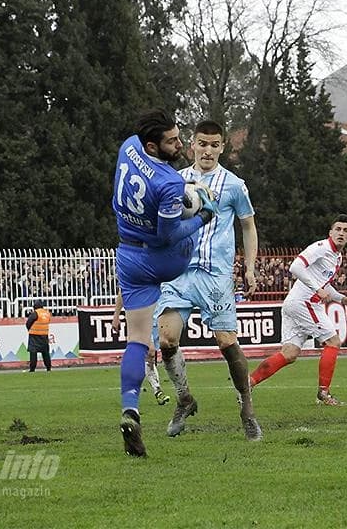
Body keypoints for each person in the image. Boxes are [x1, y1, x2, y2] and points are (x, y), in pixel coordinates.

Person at [112, 109, 217, 457]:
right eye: (172, 140)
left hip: (128, 255)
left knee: (137, 339)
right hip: (162, 259)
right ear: (153, 146)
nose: (179, 144)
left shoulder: (128, 146)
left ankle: (130, 409)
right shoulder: (169, 182)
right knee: (183, 232)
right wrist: (202, 217)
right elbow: (166, 236)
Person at [155, 120, 262, 440]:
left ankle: (246, 406)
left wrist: (250, 267)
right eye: (202, 143)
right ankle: (185, 398)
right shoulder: (177, 181)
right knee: (166, 340)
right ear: (193, 145)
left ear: (222, 148)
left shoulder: (233, 185)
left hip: (216, 275)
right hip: (179, 272)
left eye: (214, 145)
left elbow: (248, 226)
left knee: (227, 343)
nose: (208, 150)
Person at [248, 215, 347, 405]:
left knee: (289, 354)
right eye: (338, 229)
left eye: (345, 230)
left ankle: (247, 383)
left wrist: (341, 298)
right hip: (304, 302)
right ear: (330, 233)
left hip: (295, 303)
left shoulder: (337, 257)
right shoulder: (321, 248)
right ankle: (324, 393)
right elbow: (296, 267)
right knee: (333, 342)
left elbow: (324, 284)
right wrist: (316, 289)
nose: (341, 233)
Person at [111, 290, 169, 405]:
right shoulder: (133, 275)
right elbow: (122, 291)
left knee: (152, 356)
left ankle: (154, 388)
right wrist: (116, 315)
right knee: (150, 352)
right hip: (139, 315)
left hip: (157, 315)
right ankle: (157, 389)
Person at [25, 299, 52, 372]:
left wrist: (30, 330)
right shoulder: (47, 313)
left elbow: (28, 323)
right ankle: (48, 368)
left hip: (34, 335)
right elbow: (48, 321)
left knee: (33, 352)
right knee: (45, 353)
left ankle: (32, 369)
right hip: (44, 336)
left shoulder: (35, 313)